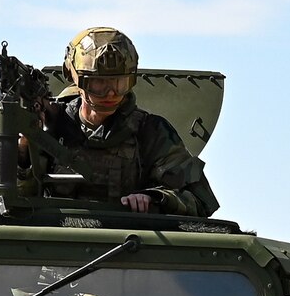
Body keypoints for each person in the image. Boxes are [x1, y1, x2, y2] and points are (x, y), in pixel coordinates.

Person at [29, 27, 219, 217]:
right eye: (99, 84)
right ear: (76, 79)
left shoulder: (150, 132)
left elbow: (200, 200)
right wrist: (22, 155)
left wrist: (154, 198)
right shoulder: (50, 123)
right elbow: (17, 200)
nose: (110, 93)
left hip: (128, 242)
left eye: (120, 83)